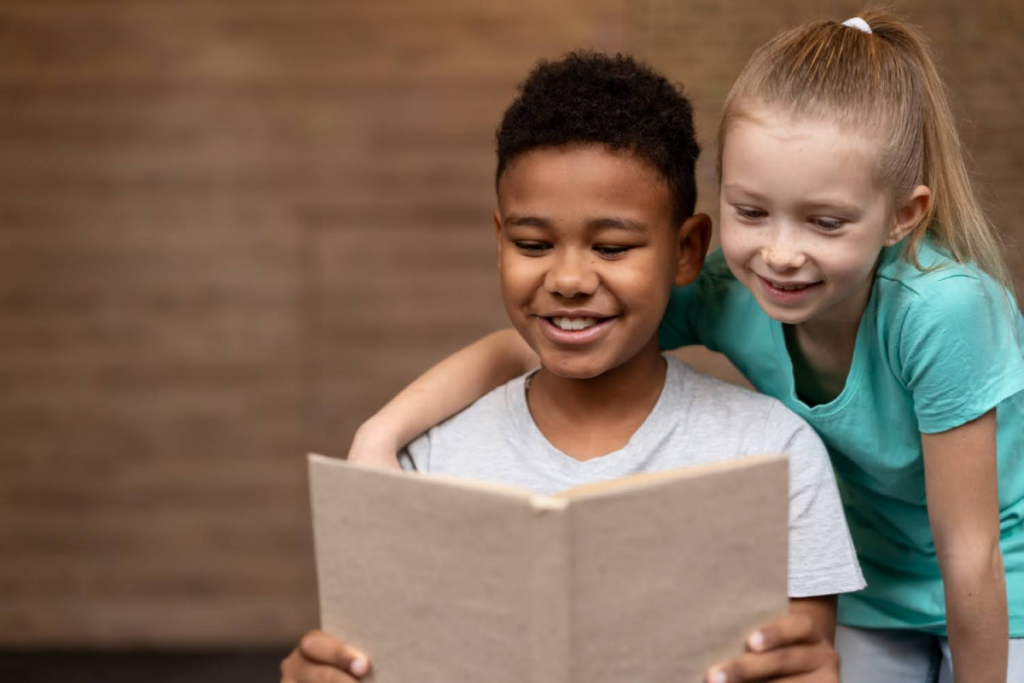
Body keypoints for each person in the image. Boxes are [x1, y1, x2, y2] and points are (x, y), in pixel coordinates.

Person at [347, 10, 1024, 683]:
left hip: (1003, 577)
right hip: (875, 587)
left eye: (824, 221)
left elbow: (972, 552)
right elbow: (521, 348)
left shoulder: (945, 312)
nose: (780, 255)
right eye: (751, 211)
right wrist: (380, 436)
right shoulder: (730, 287)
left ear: (902, 215)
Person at [281, 51, 867, 683]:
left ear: (688, 250)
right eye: (532, 245)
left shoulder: (772, 455)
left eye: (612, 248)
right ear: (499, 239)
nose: (566, 280)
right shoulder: (425, 464)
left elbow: (798, 655)